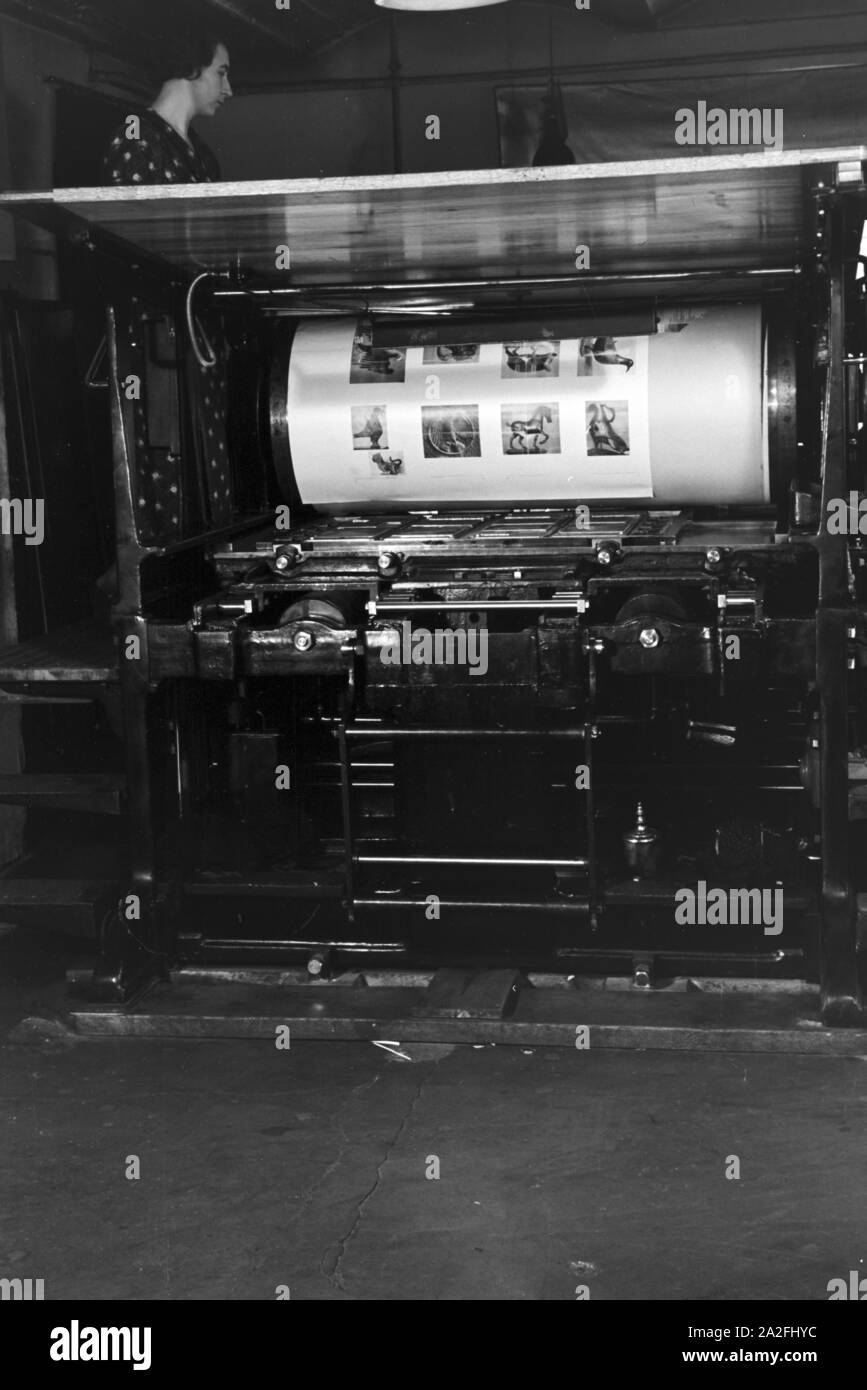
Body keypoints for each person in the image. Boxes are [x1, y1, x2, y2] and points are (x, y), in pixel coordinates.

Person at [103, 36, 232, 186]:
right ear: (192, 69)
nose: (228, 90)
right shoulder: (135, 132)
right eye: (221, 73)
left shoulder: (203, 153)